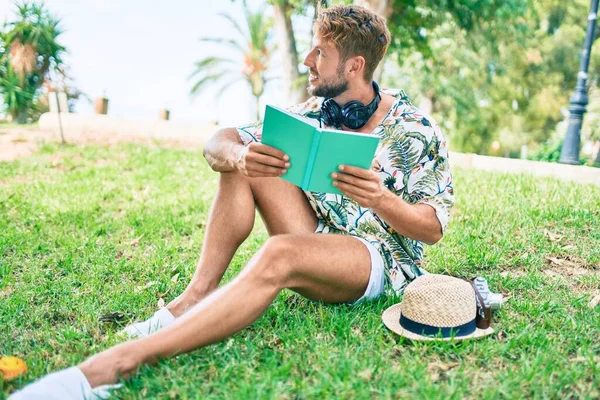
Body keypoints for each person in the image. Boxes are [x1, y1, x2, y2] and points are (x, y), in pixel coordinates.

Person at [10, 4, 454, 399]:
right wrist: (240, 154)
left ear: (355, 65)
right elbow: (216, 143)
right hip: (317, 240)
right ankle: (195, 296)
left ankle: (119, 364)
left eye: (320, 52)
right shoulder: (310, 114)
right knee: (241, 163)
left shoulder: (416, 130)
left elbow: (431, 230)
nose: (307, 60)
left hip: (380, 260)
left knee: (279, 252)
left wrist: (381, 199)